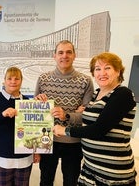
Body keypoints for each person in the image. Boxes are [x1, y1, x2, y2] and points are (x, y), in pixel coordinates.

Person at [53, 52, 137, 186]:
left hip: (112, 173)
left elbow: (99, 129)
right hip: (90, 169)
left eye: (107, 68)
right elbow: (91, 118)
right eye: (98, 69)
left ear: (118, 71)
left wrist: (65, 130)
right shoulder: (96, 94)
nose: (102, 73)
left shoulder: (123, 94)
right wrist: (80, 112)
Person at [34, 40, 94, 186]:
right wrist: (37, 103)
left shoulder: (85, 81)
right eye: (60, 52)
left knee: (71, 181)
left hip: (73, 140)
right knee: (45, 181)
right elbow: (35, 116)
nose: (64, 56)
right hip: (47, 140)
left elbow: (87, 117)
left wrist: (66, 115)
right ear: (54, 56)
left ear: (74, 55)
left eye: (69, 52)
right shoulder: (43, 79)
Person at [0, 67, 40, 186]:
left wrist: (36, 151)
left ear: (21, 81)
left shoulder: (28, 102)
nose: (13, 81)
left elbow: (35, 130)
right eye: (10, 78)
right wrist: (2, 115)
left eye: (17, 78)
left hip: (24, 158)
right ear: (4, 81)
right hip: (2, 157)